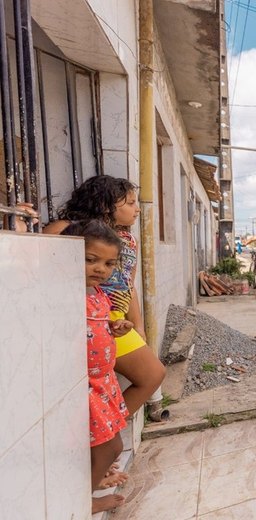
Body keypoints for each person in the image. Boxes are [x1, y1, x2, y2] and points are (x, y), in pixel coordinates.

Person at [44, 176, 166, 420]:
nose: (138, 209)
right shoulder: (65, 229)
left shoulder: (127, 241)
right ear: (105, 205)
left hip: (116, 321)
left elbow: (127, 286)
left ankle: (106, 433)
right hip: (87, 319)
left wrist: (138, 324)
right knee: (150, 374)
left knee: (148, 376)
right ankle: (104, 436)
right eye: (130, 203)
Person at [62, 220, 132, 514]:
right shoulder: (66, 295)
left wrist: (116, 327)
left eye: (108, 263)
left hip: (104, 382)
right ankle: (83, 500)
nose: (100, 269)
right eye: (91, 260)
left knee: (109, 445)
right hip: (87, 385)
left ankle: (94, 478)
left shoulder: (98, 294)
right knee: (112, 446)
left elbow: (97, 327)